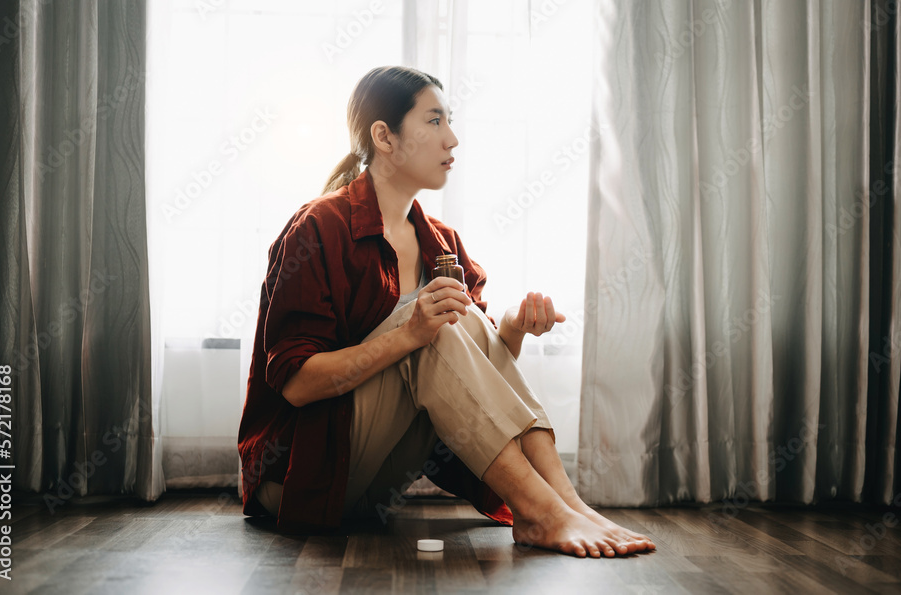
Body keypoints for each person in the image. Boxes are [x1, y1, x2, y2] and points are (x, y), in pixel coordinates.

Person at [237, 65, 655, 558]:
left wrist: (513, 331)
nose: (452, 139)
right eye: (434, 121)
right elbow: (297, 384)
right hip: (303, 479)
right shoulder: (318, 228)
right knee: (431, 324)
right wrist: (408, 335)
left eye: (449, 121)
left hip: (370, 482)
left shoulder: (442, 243)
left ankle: (565, 502)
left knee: (458, 320)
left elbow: (469, 377)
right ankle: (541, 511)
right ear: (384, 136)